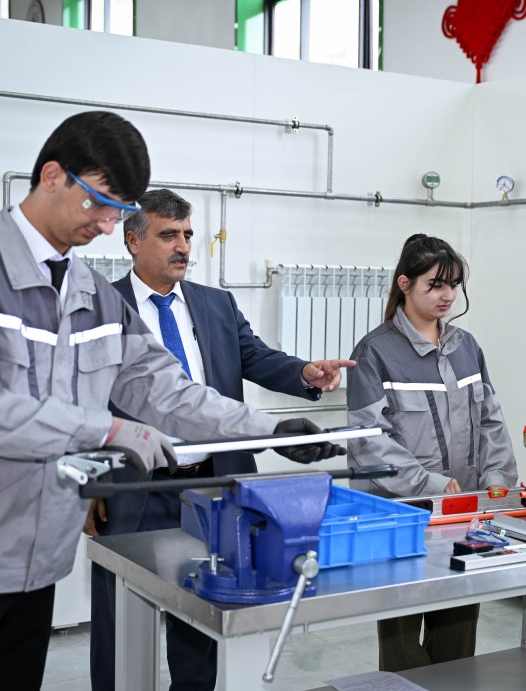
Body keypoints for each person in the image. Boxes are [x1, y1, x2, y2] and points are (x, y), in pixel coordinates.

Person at [0, 111, 340, 691]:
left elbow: (163, 387)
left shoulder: (92, 295)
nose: (103, 225)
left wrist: (267, 430)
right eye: (98, 203)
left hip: (36, 556)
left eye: (117, 212)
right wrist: (105, 431)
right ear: (52, 176)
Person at [87, 188, 354, 691]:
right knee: (119, 620)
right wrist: (87, 484)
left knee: (203, 615)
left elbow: (254, 357)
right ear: (132, 240)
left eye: (188, 234)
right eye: (169, 235)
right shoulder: (101, 307)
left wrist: (304, 372)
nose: (183, 245)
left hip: (213, 486)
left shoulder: (216, 303)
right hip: (133, 486)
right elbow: (83, 398)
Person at [346, 233, 518, 671]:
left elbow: (492, 423)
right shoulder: (375, 352)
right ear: (404, 284)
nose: (447, 295)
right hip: (402, 515)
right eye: (435, 285)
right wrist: (434, 486)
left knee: (458, 635)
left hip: (465, 514)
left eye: (454, 284)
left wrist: (498, 481)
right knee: (403, 643)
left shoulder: (466, 348)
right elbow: (370, 443)